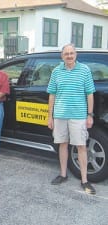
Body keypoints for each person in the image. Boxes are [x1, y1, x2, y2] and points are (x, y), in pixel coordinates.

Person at [47, 44, 96, 195]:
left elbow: (89, 94)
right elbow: (52, 94)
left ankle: (84, 180)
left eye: (71, 53)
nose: (69, 55)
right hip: (60, 115)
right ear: (62, 56)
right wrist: (50, 116)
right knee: (62, 144)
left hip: (78, 115)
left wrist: (90, 114)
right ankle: (63, 174)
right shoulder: (56, 71)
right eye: (66, 53)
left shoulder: (84, 70)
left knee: (81, 146)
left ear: (76, 55)